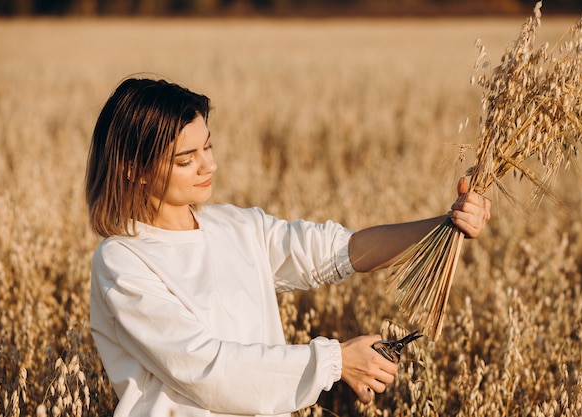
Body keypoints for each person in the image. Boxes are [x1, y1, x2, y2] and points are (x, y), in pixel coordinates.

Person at [85, 76, 491, 417]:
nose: (209, 165)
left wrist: (446, 223)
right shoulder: (122, 261)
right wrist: (336, 361)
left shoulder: (237, 226)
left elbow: (339, 251)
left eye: (207, 146)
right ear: (132, 169)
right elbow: (206, 368)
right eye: (185, 159)